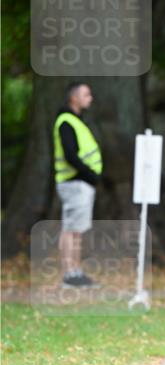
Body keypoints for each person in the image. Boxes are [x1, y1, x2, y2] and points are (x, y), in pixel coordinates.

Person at [53, 82, 103, 287]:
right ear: (74, 98)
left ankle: (76, 271)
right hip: (74, 183)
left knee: (77, 230)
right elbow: (70, 155)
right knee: (71, 229)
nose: (90, 98)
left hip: (79, 184)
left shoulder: (75, 121)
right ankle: (70, 274)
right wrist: (90, 174)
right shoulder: (67, 122)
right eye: (86, 94)